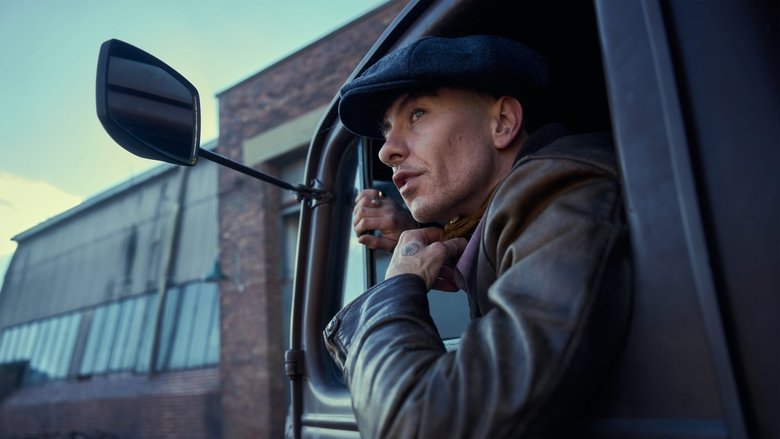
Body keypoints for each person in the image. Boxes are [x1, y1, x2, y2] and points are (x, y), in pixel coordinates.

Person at [323, 35, 632, 438]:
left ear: (502, 122)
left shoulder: (563, 191)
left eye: (417, 113)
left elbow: (418, 424)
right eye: (386, 130)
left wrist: (397, 286)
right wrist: (419, 233)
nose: (386, 151)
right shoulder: (531, 203)